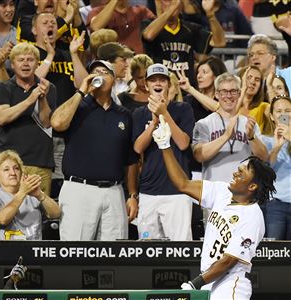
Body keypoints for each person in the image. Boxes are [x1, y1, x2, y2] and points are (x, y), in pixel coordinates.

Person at [152, 115, 276, 300]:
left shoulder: (253, 216)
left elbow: (228, 261)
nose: (235, 172)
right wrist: (164, 146)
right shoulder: (221, 191)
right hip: (208, 279)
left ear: (252, 187)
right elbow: (182, 184)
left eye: (241, 173)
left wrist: (195, 284)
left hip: (230, 283)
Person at [50, 60, 138, 241]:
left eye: (105, 72)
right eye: (95, 72)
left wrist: (132, 195)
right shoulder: (78, 107)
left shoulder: (124, 114)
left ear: (113, 80)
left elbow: (130, 159)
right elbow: (57, 123)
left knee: (115, 254)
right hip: (79, 190)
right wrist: (81, 91)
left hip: (114, 191)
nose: (99, 75)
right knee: (75, 252)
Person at [132, 63, 195, 240]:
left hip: (177, 192)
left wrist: (163, 113)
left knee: (180, 248)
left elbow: (183, 143)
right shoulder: (139, 113)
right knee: (147, 248)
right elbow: (138, 148)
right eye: (153, 80)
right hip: (148, 191)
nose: (158, 83)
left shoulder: (183, 109)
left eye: (162, 80)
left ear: (168, 84)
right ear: (146, 85)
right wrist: (153, 122)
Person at [0, 42, 57, 196]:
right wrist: (30, 100)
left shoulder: (49, 87)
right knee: (7, 211)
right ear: (12, 65)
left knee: (39, 213)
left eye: (30, 59)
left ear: (37, 64)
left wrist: (42, 98)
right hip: (8, 165)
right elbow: (1, 117)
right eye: (20, 60)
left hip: (39, 162)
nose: (26, 63)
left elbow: (46, 122)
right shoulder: (4, 87)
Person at [142, 0, 226, 85]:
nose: (173, 4)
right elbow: (148, 36)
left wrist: (210, 14)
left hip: (186, 90)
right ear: (159, 4)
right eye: (168, 1)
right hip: (160, 87)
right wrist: (171, 8)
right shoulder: (149, 25)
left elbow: (220, 42)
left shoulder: (190, 29)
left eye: (174, 1)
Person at [0, 150, 60, 240]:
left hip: (32, 250)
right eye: (6, 169)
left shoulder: (33, 196)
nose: (13, 173)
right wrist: (22, 193)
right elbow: (2, 220)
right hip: (5, 251)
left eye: (16, 168)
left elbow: (56, 214)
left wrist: (40, 195)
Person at [262, 95, 291, 240]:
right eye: (279, 111)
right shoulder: (266, 140)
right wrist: (276, 147)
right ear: (272, 116)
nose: (283, 114)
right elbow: (266, 171)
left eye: (288, 110)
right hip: (276, 206)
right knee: (274, 253)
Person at [88, 0, 155, 54]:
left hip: (139, 63)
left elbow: (162, 30)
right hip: (112, 63)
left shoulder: (141, 10)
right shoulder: (97, 11)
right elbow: (95, 27)